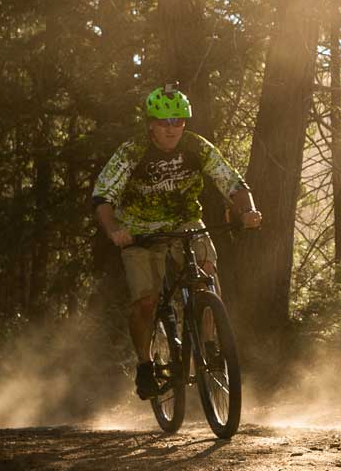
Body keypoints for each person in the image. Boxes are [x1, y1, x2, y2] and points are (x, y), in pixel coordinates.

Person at [94, 85, 263, 400]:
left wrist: (248, 210)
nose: (172, 127)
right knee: (146, 301)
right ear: (151, 124)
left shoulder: (196, 147)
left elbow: (232, 181)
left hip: (186, 222)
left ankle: (210, 344)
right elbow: (103, 195)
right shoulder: (133, 151)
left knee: (207, 274)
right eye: (164, 121)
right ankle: (145, 366)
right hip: (140, 229)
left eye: (179, 121)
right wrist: (115, 230)